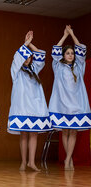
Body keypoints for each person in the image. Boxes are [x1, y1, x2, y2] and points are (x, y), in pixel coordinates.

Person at [7, 31, 51, 171]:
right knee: (24, 135)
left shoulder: (34, 69)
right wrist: (25, 43)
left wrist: (30, 43)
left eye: (29, 57)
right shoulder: (16, 71)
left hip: (35, 107)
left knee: (34, 134)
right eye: (25, 57)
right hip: (22, 107)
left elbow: (40, 55)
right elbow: (16, 57)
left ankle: (32, 162)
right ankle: (23, 162)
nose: (27, 59)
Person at [49, 25, 91, 170]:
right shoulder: (58, 66)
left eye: (72, 53)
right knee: (65, 131)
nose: (71, 55)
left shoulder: (79, 66)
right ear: (63, 55)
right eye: (67, 53)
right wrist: (64, 35)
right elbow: (54, 51)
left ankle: (68, 159)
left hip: (77, 104)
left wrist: (72, 34)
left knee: (73, 131)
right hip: (62, 104)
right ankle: (69, 159)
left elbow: (81, 49)